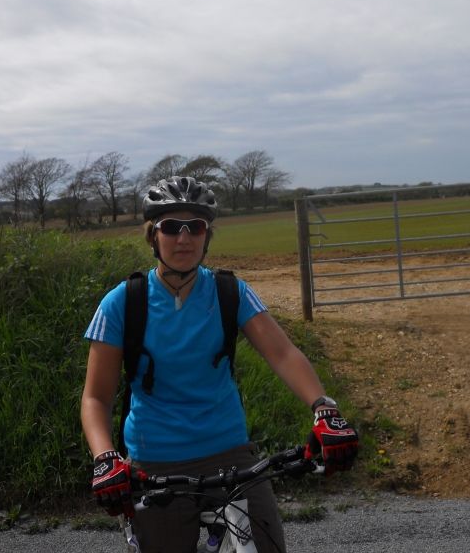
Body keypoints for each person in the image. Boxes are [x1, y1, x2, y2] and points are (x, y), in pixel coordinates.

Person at [81, 176, 358, 553]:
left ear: (207, 236)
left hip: (230, 454)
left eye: (195, 227)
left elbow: (282, 353)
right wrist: (105, 458)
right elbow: (96, 398)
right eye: (171, 227)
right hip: (155, 460)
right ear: (153, 236)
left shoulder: (230, 292)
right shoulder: (122, 303)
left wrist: (325, 409)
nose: (184, 238)